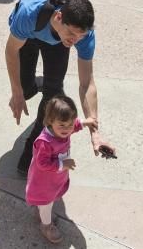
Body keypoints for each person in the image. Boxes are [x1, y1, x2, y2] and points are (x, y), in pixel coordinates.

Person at [5, 0, 114, 176]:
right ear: (58, 17)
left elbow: (86, 83)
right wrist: (17, 92)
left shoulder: (83, 36)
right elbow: (11, 50)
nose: (75, 40)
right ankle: (36, 85)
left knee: (52, 92)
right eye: (72, 33)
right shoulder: (29, 15)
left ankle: (31, 148)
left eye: (80, 36)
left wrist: (94, 131)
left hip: (56, 42)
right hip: (31, 34)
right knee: (25, 89)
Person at [25, 95, 96, 244]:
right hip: (44, 180)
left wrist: (85, 122)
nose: (67, 129)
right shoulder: (45, 142)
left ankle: (41, 213)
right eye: (62, 125)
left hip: (55, 177)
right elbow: (42, 163)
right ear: (50, 121)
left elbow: (74, 125)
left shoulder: (64, 128)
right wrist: (63, 165)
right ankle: (46, 226)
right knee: (46, 202)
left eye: (69, 125)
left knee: (48, 201)